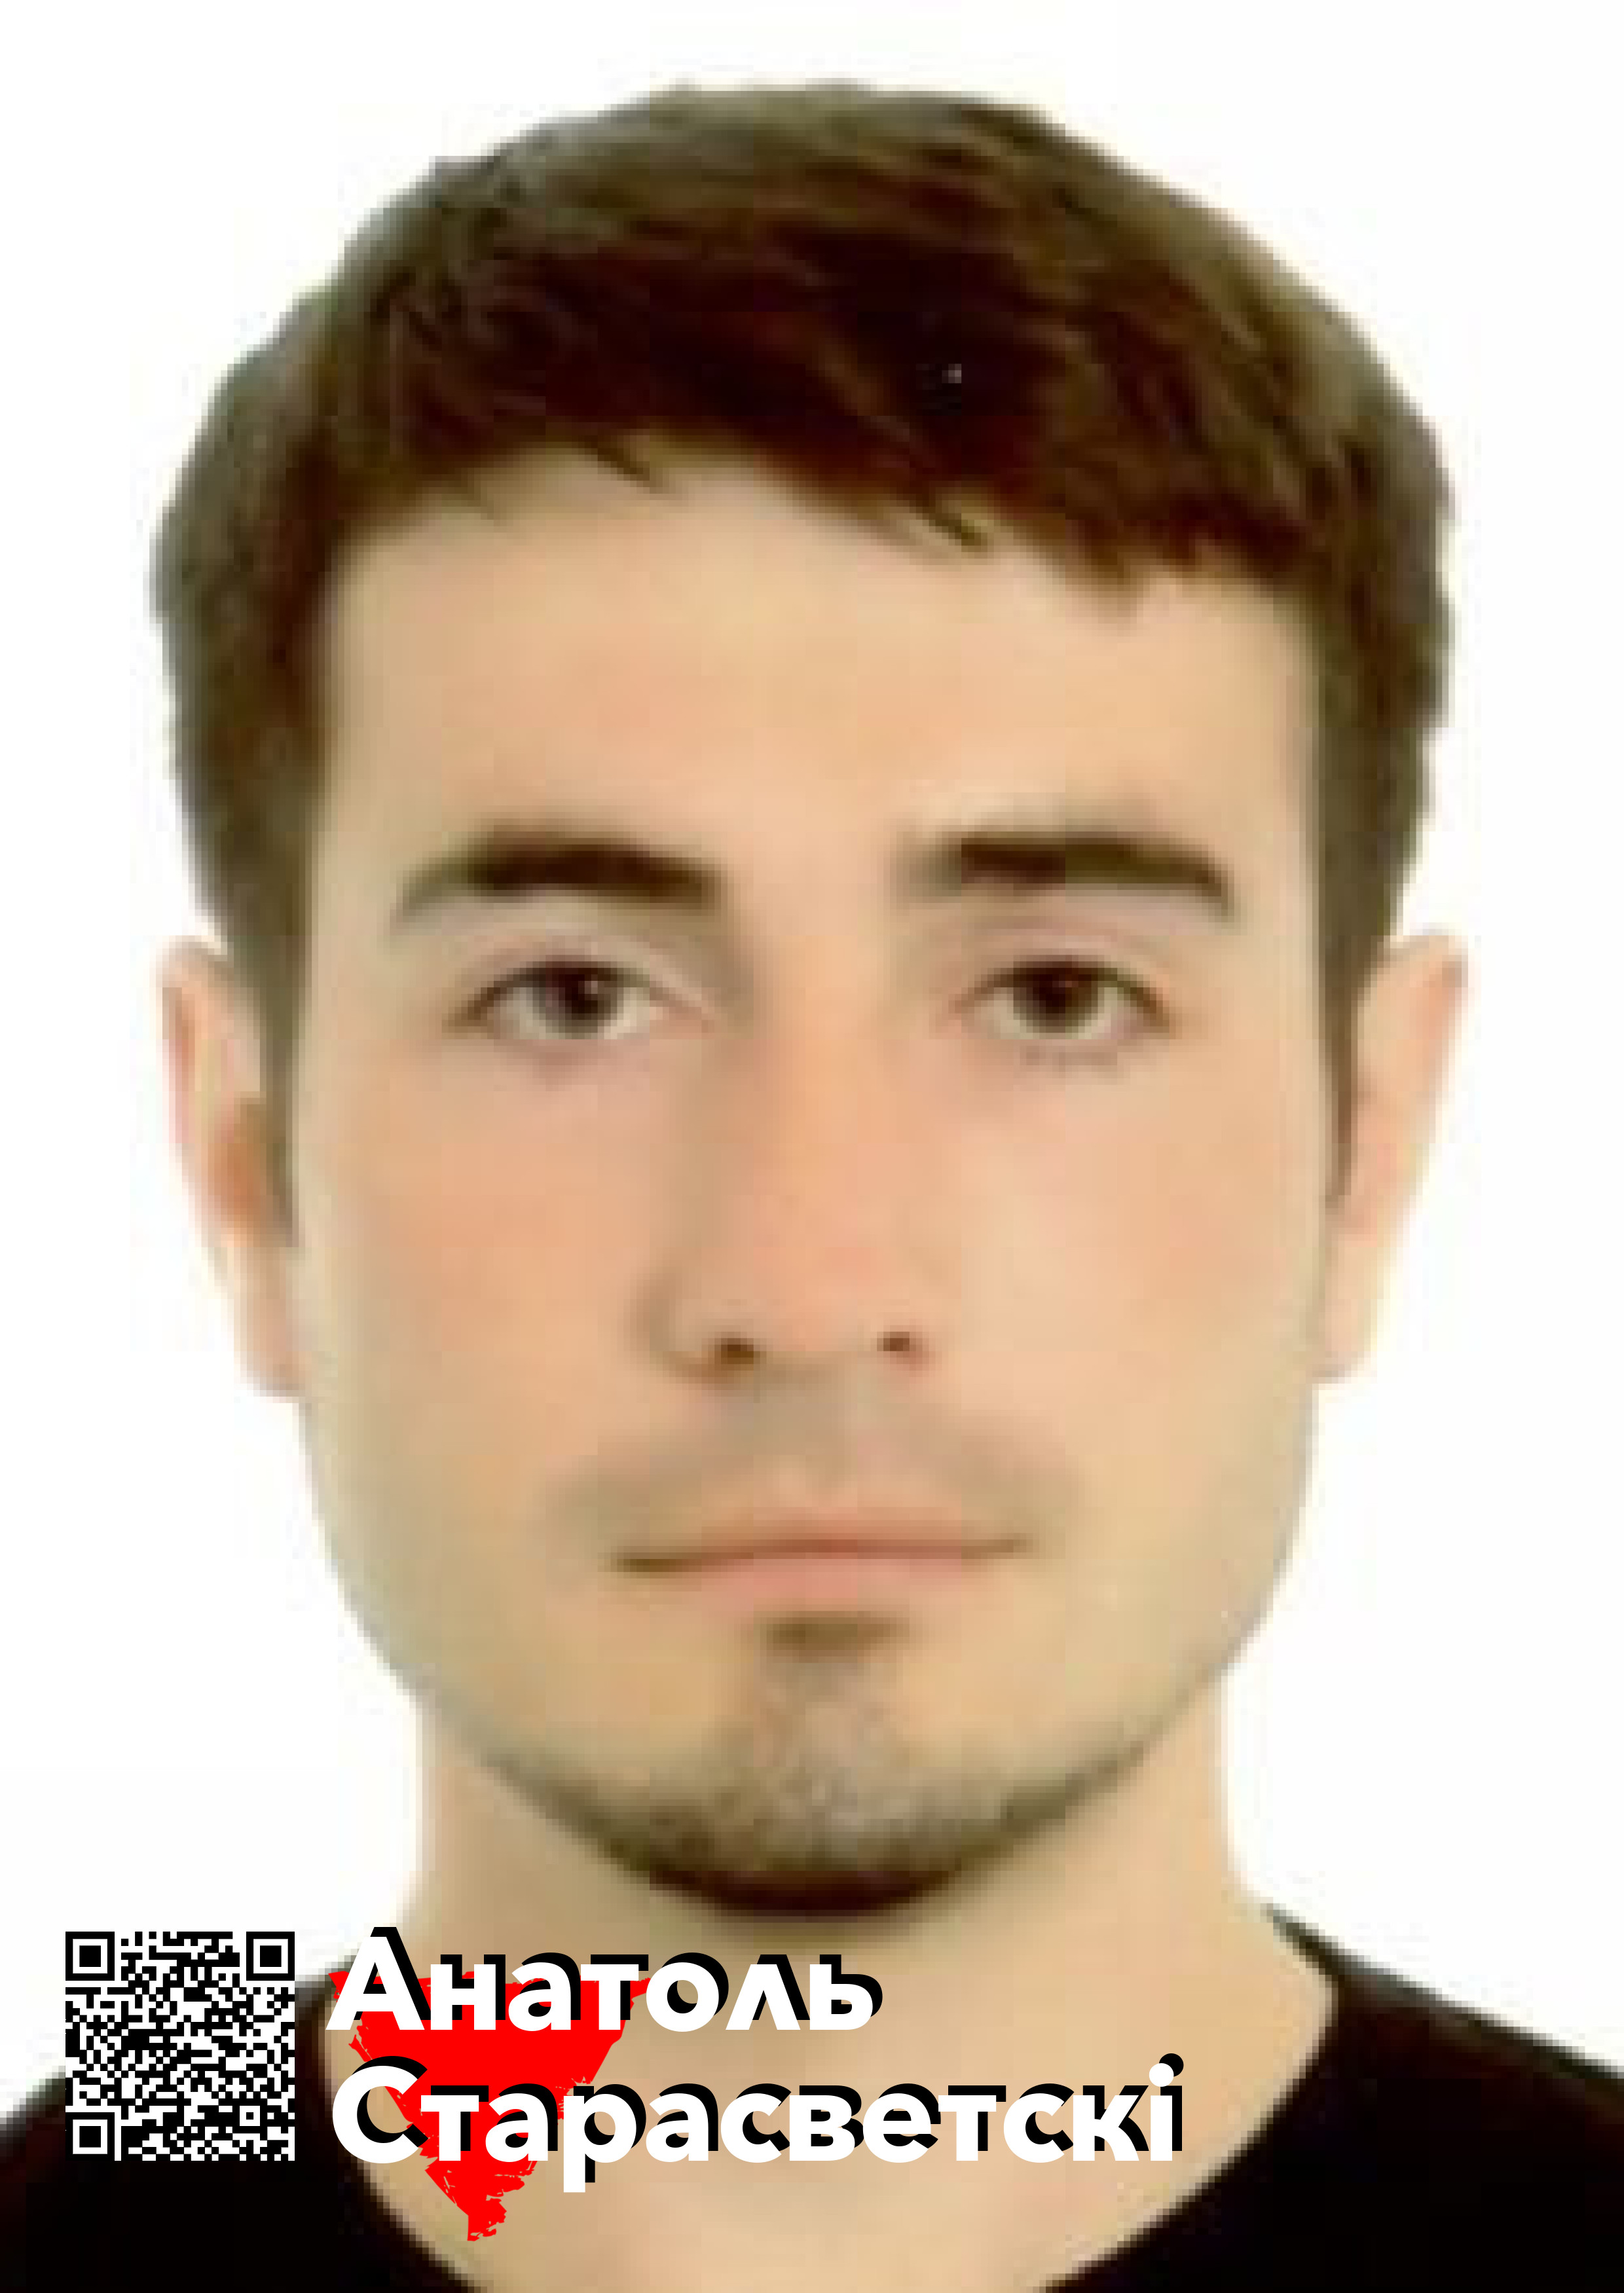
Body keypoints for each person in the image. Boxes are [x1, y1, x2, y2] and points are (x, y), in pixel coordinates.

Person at [4, 79, 1620, 2289]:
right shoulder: (113, 2158)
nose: (811, 1275)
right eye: (575, 997)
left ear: (1374, 1149)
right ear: (240, 1167)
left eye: (1055, 996)